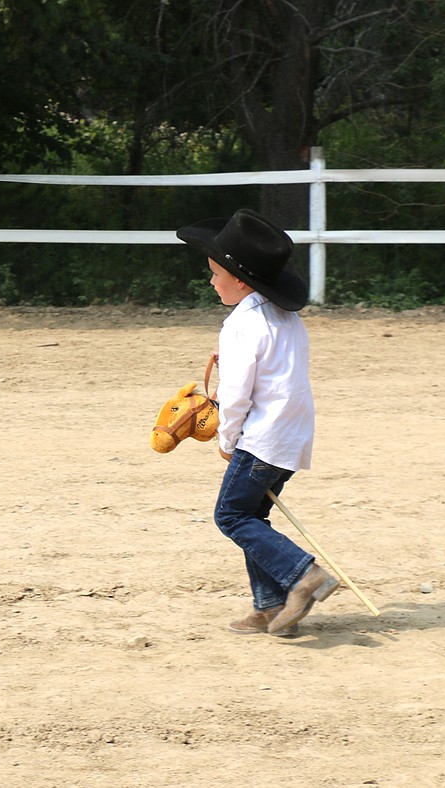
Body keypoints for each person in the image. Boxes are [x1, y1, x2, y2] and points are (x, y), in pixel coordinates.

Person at [176, 208, 338, 636]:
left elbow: (237, 394)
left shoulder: (240, 325)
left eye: (215, 274)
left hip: (261, 438)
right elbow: (273, 370)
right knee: (254, 518)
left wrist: (227, 438)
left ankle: (304, 575)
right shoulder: (288, 319)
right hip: (292, 436)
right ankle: (271, 608)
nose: (212, 281)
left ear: (241, 280)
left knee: (231, 516)